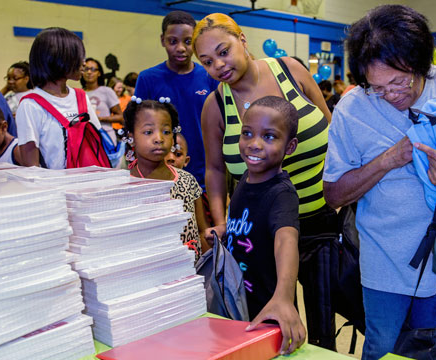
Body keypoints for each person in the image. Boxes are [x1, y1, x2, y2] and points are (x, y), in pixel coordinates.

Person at [322, 5, 436, 359]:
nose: (391, 95)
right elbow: (333, 193)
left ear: (421, 64)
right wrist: (388, 160)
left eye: (399, 81)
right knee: (381, 349)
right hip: (383, 265)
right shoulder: (352, 108)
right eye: (377, 88)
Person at [193, 13, 339, 350]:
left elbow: (334, 132)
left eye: (223, 51)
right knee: (271, 327)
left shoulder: (290, 70)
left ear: (242, 40)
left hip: (319, 221)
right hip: (258, 234)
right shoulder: (215, 106)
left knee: (321, 328)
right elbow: (215, 170)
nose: (218, 65)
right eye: (207, 61)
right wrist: (221, 222)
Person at [205, 96, 306, 355]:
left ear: (290, 146)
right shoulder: (245, 182)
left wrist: (283, 297)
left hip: (267, 312)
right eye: (247, 133)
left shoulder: (281, 194)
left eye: (269, 136)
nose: (254, 144)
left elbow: (286, 239)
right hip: (237, 307)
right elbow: (252, 223)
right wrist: (225, 230)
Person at [135, 10, 218, 192]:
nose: (180, 48)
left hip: (205, 170)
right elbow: (138, 129)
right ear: (162, 40)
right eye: (173, 41)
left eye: (188, 41)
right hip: (160, 175)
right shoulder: (148, 78)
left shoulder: (210, 76)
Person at [124, 97, 209, 259]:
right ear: (131, 137)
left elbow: (201, 231)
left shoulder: (187, 180)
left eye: (166, 131)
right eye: (148, 132)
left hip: (192, 271)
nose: (159, 139)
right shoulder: (126, 185)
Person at [16, 27, 102, 169]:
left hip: (88, 184)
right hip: (56, 188)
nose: (84, 63)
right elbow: (32, 168)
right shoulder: (30, 105)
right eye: (78, 56)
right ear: (59, 58)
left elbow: (96, 143)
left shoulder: (81, 97)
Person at [81, 57, 123, 144]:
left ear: (99, 73)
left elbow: (120, 117)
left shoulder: (106, 91)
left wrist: (99, 118)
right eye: (86, 69)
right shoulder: (79, 93)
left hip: (105, 138)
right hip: (86, 138)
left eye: (93, 69)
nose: (89, 72)